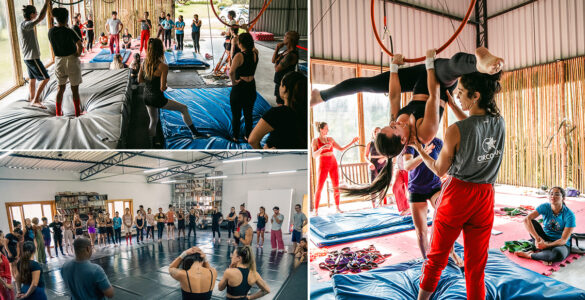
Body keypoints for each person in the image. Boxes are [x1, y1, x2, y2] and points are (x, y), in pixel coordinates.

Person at [410, 69, 505, 300]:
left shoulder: (454, 131)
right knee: (476, 265)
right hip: (485, 197)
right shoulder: (498, 122)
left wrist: (419, 148)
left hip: (457, 196)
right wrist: (453, 105)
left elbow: (438, 169)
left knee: (436, 259)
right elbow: (475, 127)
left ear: (476, 96)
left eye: (461, 93)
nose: (458, 96)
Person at [310, 47, 504, 107]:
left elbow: (394, 96)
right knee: (451, 69)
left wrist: (394, 67)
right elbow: (440, 99)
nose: (393, 127)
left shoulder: (399, 121)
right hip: (435, 78)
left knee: (368, 84)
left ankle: (322, 96)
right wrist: (429, 65)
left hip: (419, 79)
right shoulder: (424, 134)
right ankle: (477, 64)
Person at [139, 38, 206, 142]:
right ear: (160, 50)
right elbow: (162, 88)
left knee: (153, 120)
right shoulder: (163, 66)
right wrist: (165, 86)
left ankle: (151, 143)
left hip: (146, 96)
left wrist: (151, 81)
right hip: (157, 98)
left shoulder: (144, 63)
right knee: (184, 108)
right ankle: (195, 133)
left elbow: (140, 79)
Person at [516, 187, 576, 265]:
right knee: (531, 222)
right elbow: (526, 220)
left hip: (560, 244)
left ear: (563, 198)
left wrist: (547, 245)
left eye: (557, 194)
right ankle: (544, 252)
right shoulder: (545, 206)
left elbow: (563, 240)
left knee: (558, 254)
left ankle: (531, 255)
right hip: (545, 238)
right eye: (551, 194)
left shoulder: (569, 215)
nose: (553, 196)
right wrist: (538, 239)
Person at [249, 71, 307, 149]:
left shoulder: (277, 113)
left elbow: (252, 140)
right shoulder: (304, 113)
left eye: (281, 84)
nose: (279, 87)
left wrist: (263, 153)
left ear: (285, 89)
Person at [312, 122, 359, 215]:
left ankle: (337, 207)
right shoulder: (315, 140)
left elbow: (341, 149)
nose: (327, 130)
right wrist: (323, 148)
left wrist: (352, 142)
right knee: (319, 186)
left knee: (336, 185)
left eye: (328, 128)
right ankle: (316, 210)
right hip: (323, 162)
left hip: (333, 162)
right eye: (326, 128)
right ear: (321, 129)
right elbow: (314, 155)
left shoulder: (330, 139)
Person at [48, 7, 83, 117]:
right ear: (66, 18)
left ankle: (58, 113)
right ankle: (77, 113)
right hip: (71, 60)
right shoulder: (69, 31)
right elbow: (80, 45)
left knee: (60, 88)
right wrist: (77, 54)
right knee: (75, 89)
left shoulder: (51, 32)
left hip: (59, 61)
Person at [19, 0, 51, 109]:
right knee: (46, 78)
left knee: (32, 79)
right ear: (31, 14)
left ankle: (31, 98)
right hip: (32, 58)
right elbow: (40, 18)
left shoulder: (24, 25)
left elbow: (39, 18)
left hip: (28, 58)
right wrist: (47, 3)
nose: (36, 14)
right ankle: (35, 100)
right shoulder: (26, 25)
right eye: (35, 13)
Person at [229, 33, 259, 142]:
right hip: (251, 86)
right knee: (248, 114)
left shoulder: (239, 56)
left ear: (240, 43)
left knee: (236, 114)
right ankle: (248, 136)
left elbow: (231, 71)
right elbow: (252, 46)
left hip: (240, 87)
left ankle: (235, 137)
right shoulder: (255, 53)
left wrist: (233, 82)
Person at [272, 31, 300, 105]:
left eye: (285, 37)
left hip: (285, 83)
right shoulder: (286, 51)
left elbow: (277, 69)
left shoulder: (291, 54)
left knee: (282, 104)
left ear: (289, 39)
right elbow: (273, 60)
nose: (283, 38)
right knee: (278, 101)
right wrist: (277, 48)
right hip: (279, 82)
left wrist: (277, 61)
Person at [0, 230, 14, 300]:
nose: (4, 239)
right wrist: (5, 284)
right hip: (3, 283)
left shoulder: (1, 251)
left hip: (6, 281)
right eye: (3, 237)